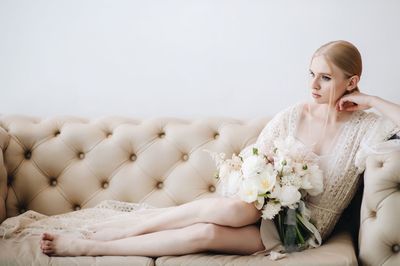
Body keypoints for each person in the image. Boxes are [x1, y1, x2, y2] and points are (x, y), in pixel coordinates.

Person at [35, 40, 399, 256]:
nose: (314, 85)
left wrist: (370, 99)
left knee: (207, 232)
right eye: (311, 74)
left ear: (350, 81)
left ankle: (93, 246)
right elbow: (253, 163)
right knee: (231, 211)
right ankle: (121, 232)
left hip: (300, 229)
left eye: (325, 77)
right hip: (259, 211)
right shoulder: (293, 115)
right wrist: (263, 183)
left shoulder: (367, 127)